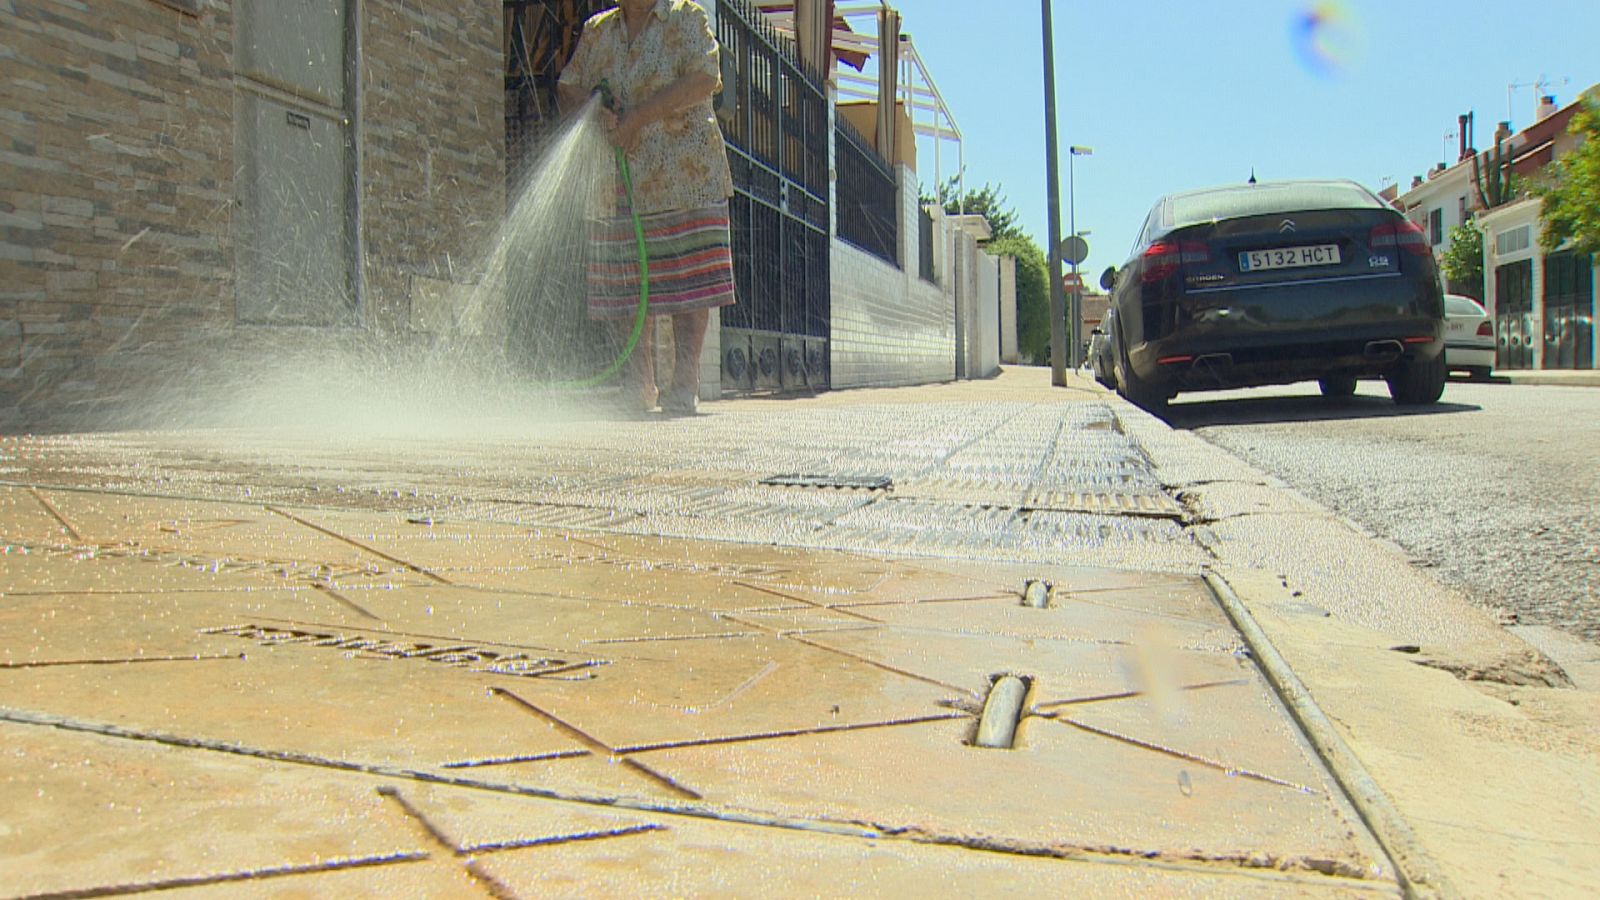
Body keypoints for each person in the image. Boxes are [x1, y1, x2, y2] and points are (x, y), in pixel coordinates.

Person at [557, 0, 736, 415]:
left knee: (688, 280)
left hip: (683, 174)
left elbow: (704, 78)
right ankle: (638, 384)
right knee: (626, 283)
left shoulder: (686, 17)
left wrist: (640, 116)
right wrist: (594, 107)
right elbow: (567, 86)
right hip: (619, 179)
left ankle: (685, 380)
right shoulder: (597, 30)